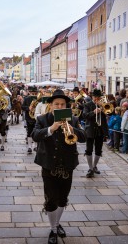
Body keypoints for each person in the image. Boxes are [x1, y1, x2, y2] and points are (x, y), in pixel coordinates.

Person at [31, 89, 86, 244]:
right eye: (57, 104)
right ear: (51, 105)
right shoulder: (43, 119)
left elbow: (83, 137)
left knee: (62, 198)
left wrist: (70, 128)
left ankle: (57, 223)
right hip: (48, 164)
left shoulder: (73, 119)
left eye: (62, 104)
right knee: (51, 199)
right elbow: (34, 135)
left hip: (67, 164)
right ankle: (53, 229)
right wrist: (51, 128)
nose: (60, 107)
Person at [82, 89, 108, 178]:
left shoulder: (103, 105)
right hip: (90, 130)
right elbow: (84, 116)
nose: (97, 98)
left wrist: (103, 109)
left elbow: (109, 113)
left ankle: (94, 166)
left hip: (100, 130)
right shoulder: (87, 105)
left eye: (98, 97)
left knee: (98, 150)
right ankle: (90, 168)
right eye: (95, 97)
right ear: (92, 97)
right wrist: (94, 112)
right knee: (89, 149)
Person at [22, 86, 38, 154]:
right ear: (29, 92)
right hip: (29, 117)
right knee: (29, 132)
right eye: (32, 93)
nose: (33, 94)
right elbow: (22, 107)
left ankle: (36, 145)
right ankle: (29, 147)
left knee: (36, 132)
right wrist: (28, 108)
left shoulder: (38, 99)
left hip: (37, 118)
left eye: (34, 93)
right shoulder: (26, 99)